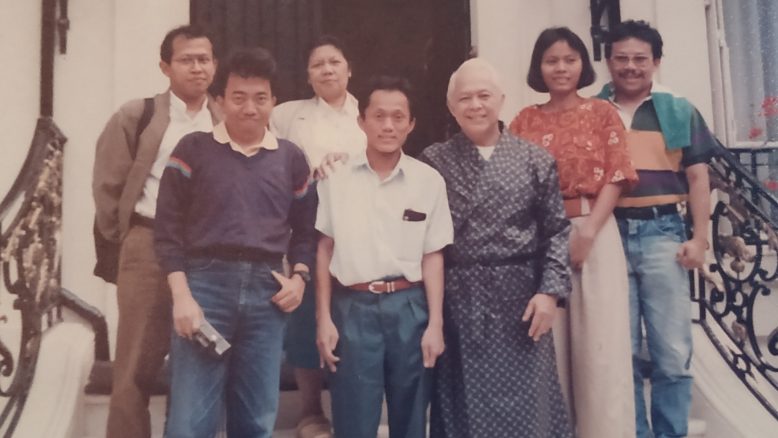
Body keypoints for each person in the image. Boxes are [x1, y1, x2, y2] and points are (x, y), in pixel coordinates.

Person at [154, 47, 317, 438]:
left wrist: (299, 279)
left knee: (256, 420)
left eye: (260, 98)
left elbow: (306, 231)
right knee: (190, 423)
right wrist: (181, 296)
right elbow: (167, 230)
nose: (250, 108)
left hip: (267, 295)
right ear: (219, 100)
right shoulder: (193, 150)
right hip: (205, 290)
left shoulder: (291, 158)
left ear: (274, 101)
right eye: (238, 98)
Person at [420, 58, 573, 438]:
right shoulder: (433, 162)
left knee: (529, 406)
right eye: (464, 98)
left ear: (501, 100)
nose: (475, 106)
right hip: (460, 301)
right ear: (451, 107)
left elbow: (556, 231)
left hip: (521, 299)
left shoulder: (535, 160)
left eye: (484, 96)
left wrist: (550, 293)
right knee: (464, 407)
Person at [509, 27, 638, 438]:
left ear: (582, 64)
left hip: (593, 230)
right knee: (548, 347)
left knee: (600, 349)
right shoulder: (524, 120)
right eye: (551, 60)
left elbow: (617, 175)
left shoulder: (602, 113)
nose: (561, 68)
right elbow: (511, 184)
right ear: (539, 67)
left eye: (569, 59)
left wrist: (588, 232)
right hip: (539, 238)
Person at [92, 24, 220, 438]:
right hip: (147, 245)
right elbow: (108, 186)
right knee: (134, 366)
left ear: (215, 65)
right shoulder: (138, 115)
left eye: (204, 59)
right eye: (186, 60)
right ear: (165, 66)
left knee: (197, 363)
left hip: (207, 253)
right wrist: (127, 241)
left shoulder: (225, 118)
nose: (197, 68)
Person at [315, 75, 453, 438]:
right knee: (353, 419)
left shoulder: (428, 181)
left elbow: (433, 256)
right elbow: (325, 248)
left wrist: (435, 324)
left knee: (411, 419)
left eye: (397, 117)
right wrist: (324, 319)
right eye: (378, 116)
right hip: (353, 308)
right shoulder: (336, 178)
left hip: (410, 308)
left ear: (411, 124)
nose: (388, 126)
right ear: (362, 121)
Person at [597, 20, 715, 438]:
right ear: (608, 61)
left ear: (656, 61)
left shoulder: (680, 109)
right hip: (608, 236)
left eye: (640, 58)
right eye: (621, 58)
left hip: (663, 232)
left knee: (672, 351)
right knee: (621, 351)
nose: (630, 66)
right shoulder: (593, 111)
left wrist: (700, 239)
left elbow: (698, 178)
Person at [269, 35, 366, 438]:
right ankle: (311, 411)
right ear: (308, 76)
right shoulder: (287, 115)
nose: (327, 70)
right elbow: (268, 164)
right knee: (306, 319)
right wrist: (310, 173)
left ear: (349, 69)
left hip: (359, 233)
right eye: (317, 65)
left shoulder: (370, 113)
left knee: (354, 320)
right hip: (308, 230)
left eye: (334, 62)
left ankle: (351, 410)